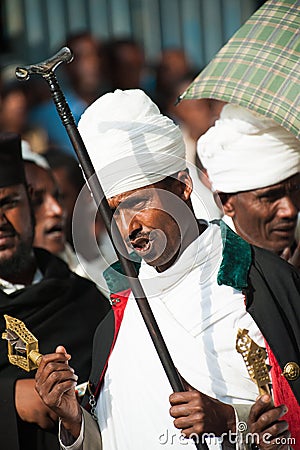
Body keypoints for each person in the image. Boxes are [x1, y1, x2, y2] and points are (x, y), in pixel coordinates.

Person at [35, 90, 298, 450]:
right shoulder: (115, 320)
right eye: (115, 213)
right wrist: (75, 421)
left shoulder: (264, 285)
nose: (129, 228)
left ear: (183, 185)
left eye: (139, 202)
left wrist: (229, 421)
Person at [0, 132, 110, 450]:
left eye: (9, 203)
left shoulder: (86, 300)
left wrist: (74, 419)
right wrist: (11, 399)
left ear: (28, 200)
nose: (2, 221)